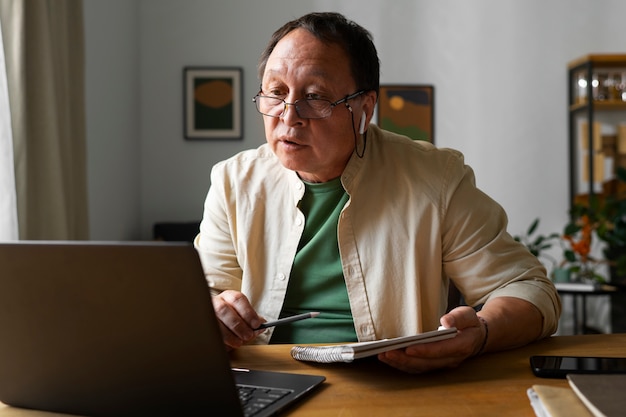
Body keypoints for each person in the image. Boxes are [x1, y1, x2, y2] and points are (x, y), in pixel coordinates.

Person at [194, 11, 561, 374]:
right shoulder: (234, 181)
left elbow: (530, 290)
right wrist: (214, 311)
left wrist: (481, 333)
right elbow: (203, 295)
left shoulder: (436, 179)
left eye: (316, 96)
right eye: (275, 93)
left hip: (391, 381)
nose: (289, 117)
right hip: (265, 377)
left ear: (363, 109)